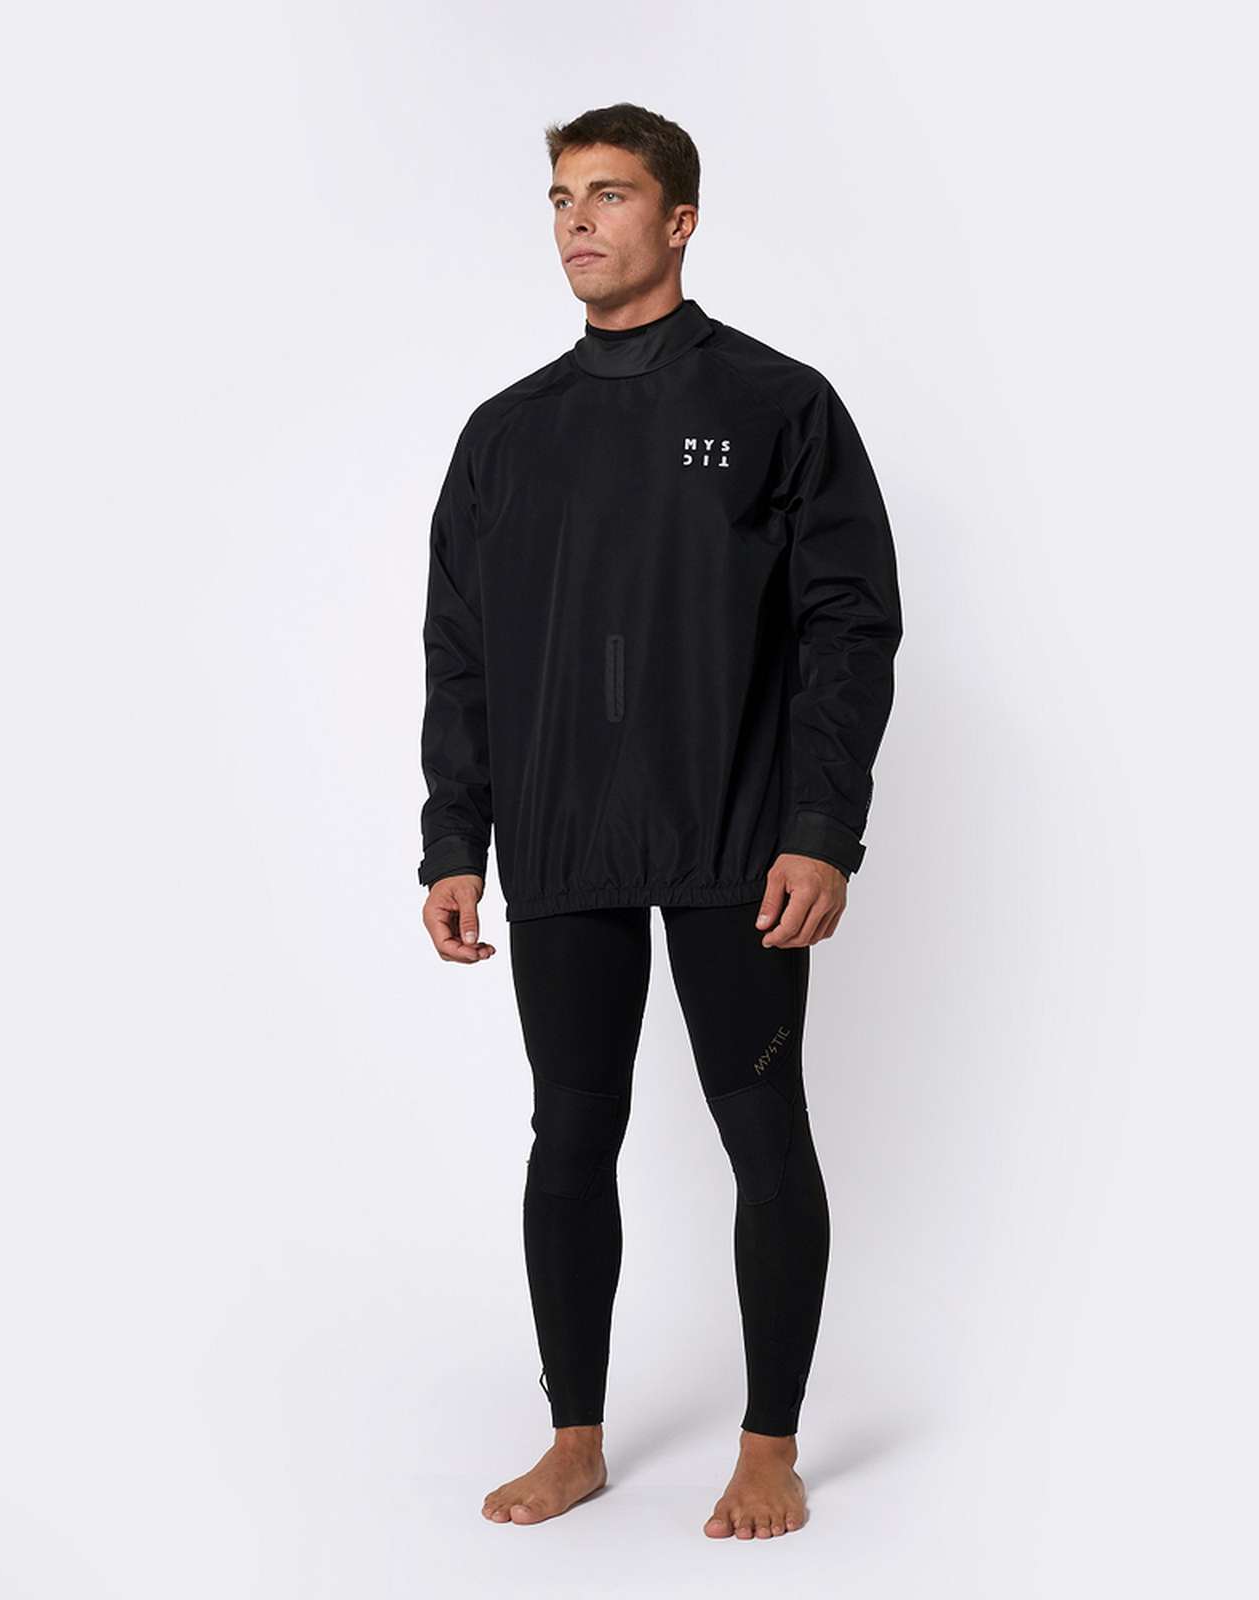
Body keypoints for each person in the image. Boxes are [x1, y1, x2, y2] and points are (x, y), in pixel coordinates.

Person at [417, 102, 903, 1539]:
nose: (579, 220)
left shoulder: (776, 404)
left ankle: (769, 1446)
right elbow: (460, 654)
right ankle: (575, 1438)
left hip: (735, 836)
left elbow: (849, 626)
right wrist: (454, 841)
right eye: (562, 197)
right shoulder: (507, 434)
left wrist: (822, 825)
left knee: (763, 1129)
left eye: (611, 194)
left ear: (678, 220)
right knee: (569, 1135)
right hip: (560, 840)